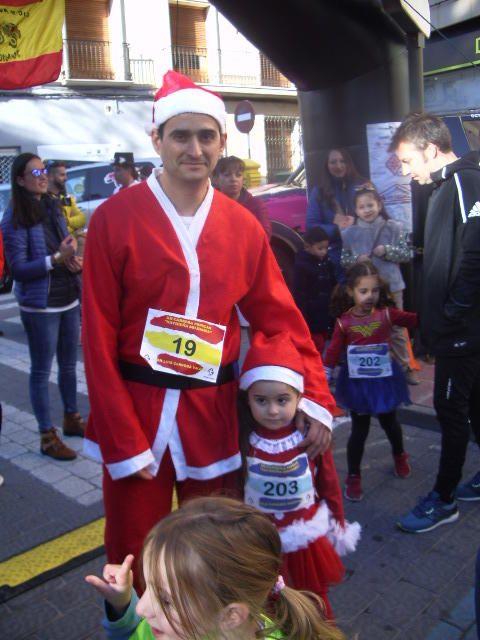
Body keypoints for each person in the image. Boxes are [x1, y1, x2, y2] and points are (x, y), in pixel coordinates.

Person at [82, 70, 336, 581]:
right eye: (181, 135)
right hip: (138, 417)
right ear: (156, 139)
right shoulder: (114, 218)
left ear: (222, 142)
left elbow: (278, 316)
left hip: (213, 420)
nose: (194, 148)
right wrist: (122, 436)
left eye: (206, 136)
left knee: (217, 559)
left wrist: (312, 395)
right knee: (136, 559)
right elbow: (97, 335)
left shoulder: (242, 225)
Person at [389, 112, 480, 533]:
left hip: (461, 330)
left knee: (449, 408)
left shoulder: (464, 180)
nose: (407, 171)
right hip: (458, 327)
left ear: (429, 149)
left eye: (408, 161)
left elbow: (476, 253)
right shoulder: (447, 184)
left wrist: (452, 315)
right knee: (475, 403)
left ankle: (443, 499)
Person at [86, 496, 346, 640]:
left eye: (166, 599)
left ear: (231, 616)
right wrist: (122, 608)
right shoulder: (166, 630)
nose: (142, 608)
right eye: (149, 587)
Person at [238, 332, 360, 618]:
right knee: (265, 604)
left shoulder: (309, 437)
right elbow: (234, 489)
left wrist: (338, 524)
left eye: (282, 400)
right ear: (248, 400)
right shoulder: (243, 438)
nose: (272, 410)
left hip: (303, 540)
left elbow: (328, 482)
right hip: (260, 542)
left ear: (299, 398)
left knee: (310, 601)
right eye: (261, 401)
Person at [1, 153, 85, 460]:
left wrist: (72, 258)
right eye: (34, 171)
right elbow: (18, 268)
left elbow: (63, 243)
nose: (41, 175)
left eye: (42, 169)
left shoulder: (52, 204)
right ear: (21, 180)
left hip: (68, 295)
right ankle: (47, 436)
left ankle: (72, 418)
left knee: (67, 365)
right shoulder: (13, 218)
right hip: (40, 305)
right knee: (40, 370)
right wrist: (56, 259)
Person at [323, 261, 417, 501]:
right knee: (360, 430)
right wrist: (323, 375)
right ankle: (354, 475)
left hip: (383, 381)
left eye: (374, 291)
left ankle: (400, 455)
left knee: (390, 422)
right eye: (363, 291)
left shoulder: (386, 314)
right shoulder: (344, 322)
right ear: (350, 292)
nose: (369, 296)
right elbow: (333, 351)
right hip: (357, 384)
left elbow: (412, 319)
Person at [340, 184, 419, 385]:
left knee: (397, 327)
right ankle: (375, 367)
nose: (367, 210)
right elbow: (344, 260)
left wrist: (388, 251)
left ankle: (404, 366)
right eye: (362, 207)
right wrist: (356, 260)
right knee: (367, 327)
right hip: (363, 292)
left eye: (370, 205)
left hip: (391, 286)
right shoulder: (350, 233)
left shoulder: (394, 227)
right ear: (356, 210)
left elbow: (407, 254)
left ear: (379, 204)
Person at [306, 148, 367, 282]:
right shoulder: (319, 192)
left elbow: (377, 215)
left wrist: (356, 223)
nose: (338, 166)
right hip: (334, 256)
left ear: (349, 163)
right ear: (327, 166)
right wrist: (336, 228)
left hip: (363, 251)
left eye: (342, 161)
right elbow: (311, 226)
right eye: (333, 162)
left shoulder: (363, 185)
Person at [293, 225, 336, 355]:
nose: (324, 251)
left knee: (324, 341)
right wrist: (303, 318)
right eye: (320, 248)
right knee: (316, 345)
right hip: (311, 317)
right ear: (307, 247)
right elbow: (300, 294)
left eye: (326, 248)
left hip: (324, 313)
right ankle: (316, 369)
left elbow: (332, 282)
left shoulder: (326, 262)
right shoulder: (302, 266)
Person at [212, 155, 271, 237]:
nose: (233, 179)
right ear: (215, 179)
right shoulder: (208, 206)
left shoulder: (256, 205)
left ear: (243, 179)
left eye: (238, 175)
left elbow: (264, 236)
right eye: (227, 175)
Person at [46, 160, 86, 238]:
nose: (66, 178)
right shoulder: (45, 199)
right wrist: (74, 230)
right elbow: (56, 229)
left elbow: (82, 219)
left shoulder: (67, 198)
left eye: (66, 175)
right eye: (62, 175)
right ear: (50, 177)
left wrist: (67, 221)